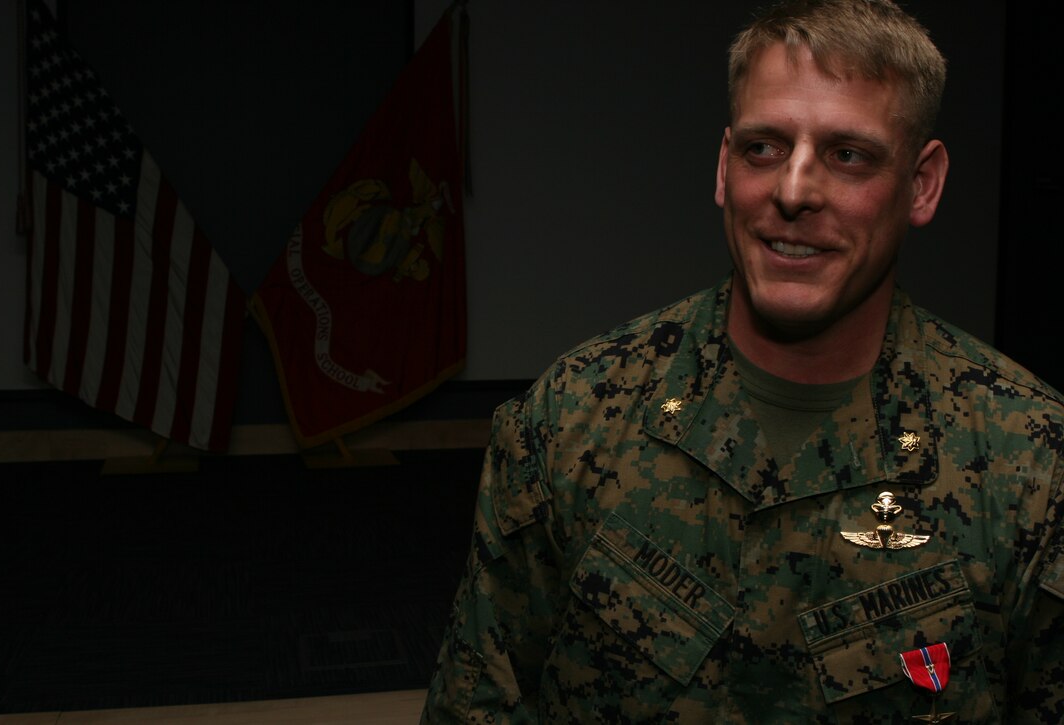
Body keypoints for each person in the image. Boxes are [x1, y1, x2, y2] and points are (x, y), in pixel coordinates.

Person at [422, 0, 1064, 721]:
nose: (793, 192)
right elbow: (479, 702)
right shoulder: (574, 415)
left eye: (848, 155)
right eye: (764, 148)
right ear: (725, 167)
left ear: (921, 184)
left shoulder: (1029, 460)